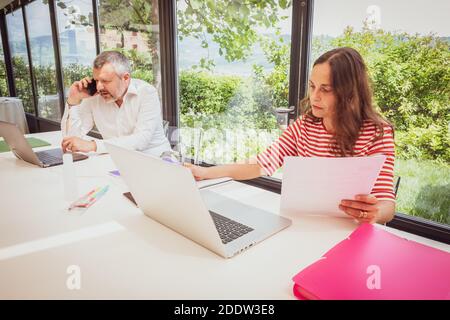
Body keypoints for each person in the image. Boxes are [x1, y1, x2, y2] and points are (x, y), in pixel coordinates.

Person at [186, 47, 396, 224]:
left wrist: (375, 212)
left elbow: (387, 204)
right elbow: (259, 164)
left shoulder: (377, 133)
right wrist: (203, 172)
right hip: (306, 224)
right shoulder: (306, 125)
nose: (314, 97)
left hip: (350, 232)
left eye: (326, 89)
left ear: (350, 92)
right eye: (313, 86)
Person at [61, 51, 171, 156]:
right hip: (117, 161)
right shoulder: (94, 97)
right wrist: (73, 101)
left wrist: (93, 145)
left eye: (105, 81)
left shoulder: (146, 93)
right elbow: (70, 140)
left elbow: (141, 140)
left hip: (157, 159)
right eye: (96, 80)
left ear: (125, 78)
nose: (99, 87)